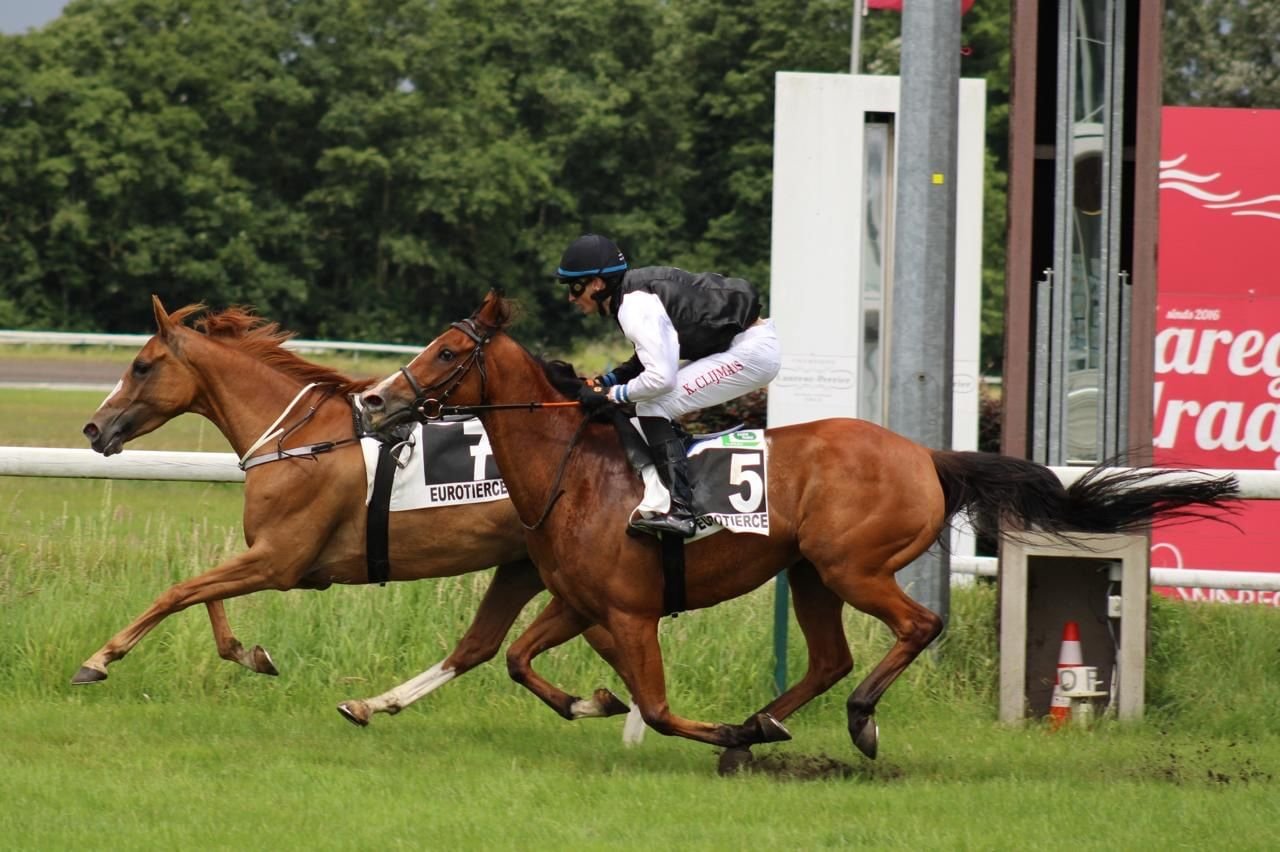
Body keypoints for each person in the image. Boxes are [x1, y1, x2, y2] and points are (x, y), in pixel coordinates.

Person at [556, 233, 781, 537]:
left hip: (750, 352)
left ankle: (681, 510)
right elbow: (653, 356)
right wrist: (610, 379)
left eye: (575, 286)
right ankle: (680, 475)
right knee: (650, 402)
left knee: (653, 403)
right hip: (744, 344)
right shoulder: (632, 294)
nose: (570, 297)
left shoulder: (633, 307)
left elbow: (661, 379)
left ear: (597, 284)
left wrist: (610, 394)